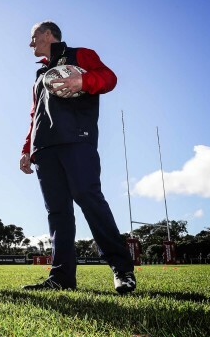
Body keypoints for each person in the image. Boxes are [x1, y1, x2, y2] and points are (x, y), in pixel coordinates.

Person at [19, 21, 136, 294]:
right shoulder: (39, 75)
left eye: (33, 37)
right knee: (58, 212)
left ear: (47, 34)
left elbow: (109, 78)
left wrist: (82, 80)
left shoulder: (80, 55)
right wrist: (27, 149)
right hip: (45, 149)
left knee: (89, 198)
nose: (30, 43)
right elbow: (34, 115)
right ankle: (62, 277)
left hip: (76, 139)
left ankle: (122, 269)